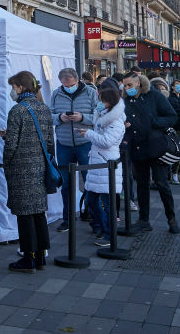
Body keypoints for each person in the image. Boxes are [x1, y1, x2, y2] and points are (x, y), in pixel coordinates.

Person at [3, 71, 54, 272]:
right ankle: (41, 257)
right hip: (40, 167)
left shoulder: (17, 111)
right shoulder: (43, 108)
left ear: (20, 87)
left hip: (21, 167)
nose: (12, 91)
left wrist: (7, 162)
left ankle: (28, 258)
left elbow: (12, 145)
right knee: (39, 212)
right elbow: (50, 142)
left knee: (24, 215)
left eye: (13, 87)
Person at [122, 72, 179, 234]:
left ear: (138, 83)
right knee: (142, 185)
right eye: (124, 86)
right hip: (137, 148)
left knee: (162, 183)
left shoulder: (154, 96)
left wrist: (154, 122)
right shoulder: (126, 101)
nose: (127, 89)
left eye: (129, 85)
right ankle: (143, 219)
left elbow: (172, 116)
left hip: (156, 147)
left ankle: (171, 218)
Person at [49, 67, 97, 231]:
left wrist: (82, 118)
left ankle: (94, 219)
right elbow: (50, 115)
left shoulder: (90, 92)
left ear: (78, 81)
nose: (68, 87)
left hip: (85, 143)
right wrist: (60, 118)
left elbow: (98, 116)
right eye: (65, 84)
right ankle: (67, 220)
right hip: (64, 144)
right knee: (66, 185)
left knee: (90, 183)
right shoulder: (56, 93)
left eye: (71, 84)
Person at [77, 86, 125, 246]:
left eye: (102, 100)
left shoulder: (116, 122)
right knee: (91, 200)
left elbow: (106, 142)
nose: (99, 103)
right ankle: (100, 228)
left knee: (108, 204)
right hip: (97, 165)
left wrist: (88, 134)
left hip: (107, 166)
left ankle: (109, 235)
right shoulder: (103, 117)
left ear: (109, 102)